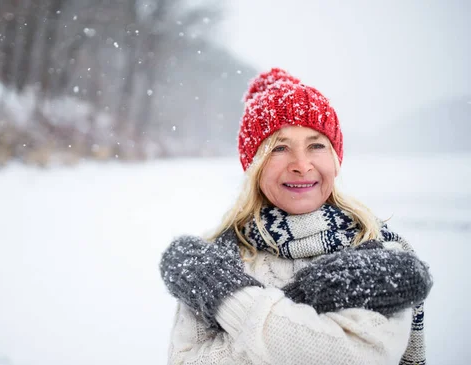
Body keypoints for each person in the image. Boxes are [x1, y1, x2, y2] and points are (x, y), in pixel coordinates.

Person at [159, 68, 433, 365]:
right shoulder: (219, 256)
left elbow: (356, 356)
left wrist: (228, 296)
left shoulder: (380, 254)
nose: (302, 165)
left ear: (335, 159)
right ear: (256, 166)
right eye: (279, 148)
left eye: (316, 145)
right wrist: (309, 314)